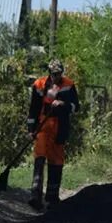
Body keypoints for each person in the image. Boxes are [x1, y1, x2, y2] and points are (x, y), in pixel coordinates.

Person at [26, 59, 80, 210]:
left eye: (59, 74)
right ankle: (35, 195)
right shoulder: (39, 85)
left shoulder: (68, 85)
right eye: (54, 74)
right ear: (49, 73)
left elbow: (76, 107)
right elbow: (33, 109)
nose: (56, 76)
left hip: (60, 127)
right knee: (39, 157)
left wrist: (64, 105)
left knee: (56, 161)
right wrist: (31, 130)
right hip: (43, 127)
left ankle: (52, 197)